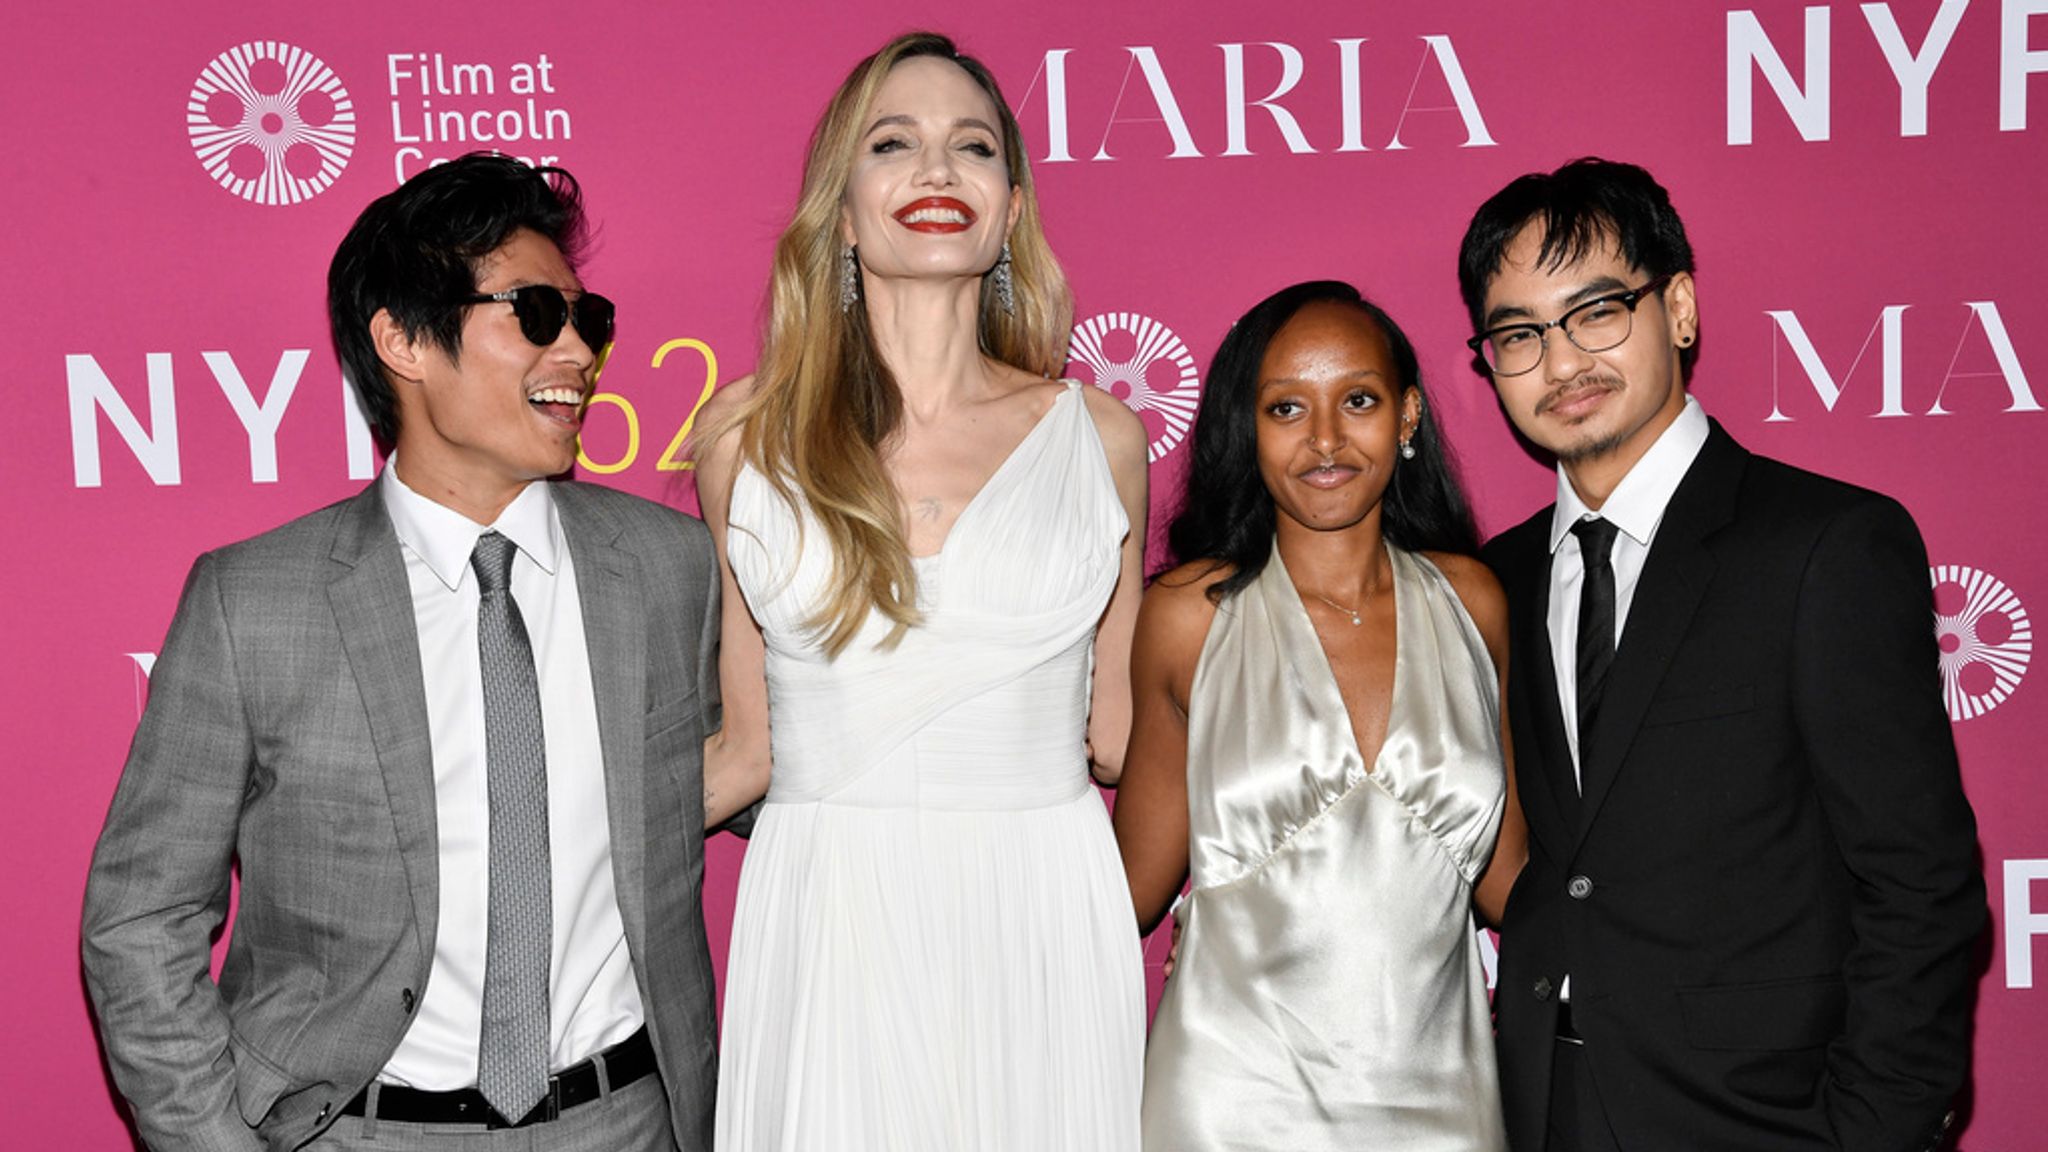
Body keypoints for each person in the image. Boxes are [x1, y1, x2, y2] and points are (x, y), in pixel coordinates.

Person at [82, 154, 730, 1152]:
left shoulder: (667, 568)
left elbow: (766, 771)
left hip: (626, 1123)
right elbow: (141, 914)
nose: (579, 354)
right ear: (400, 339)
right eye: (534, 313)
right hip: (356, 1132)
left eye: (586, 316)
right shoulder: (255, 600)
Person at [1461, 157, 1985, 1152]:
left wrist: (1874, 1129)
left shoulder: (1822, 545)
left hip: (1764, 1116)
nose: (1561, 361)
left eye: (1597, 311)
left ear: (1681, 308)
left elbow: (1918, 880)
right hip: (1540, 1108)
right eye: (1518, 333)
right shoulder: (1495, 578)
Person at [691, 31, 1149, 1152]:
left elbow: (1122, 738)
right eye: (893, 144)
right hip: (829, 912)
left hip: (1042, 912)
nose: (937, 172)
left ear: (1009, 209)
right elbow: (743, 750)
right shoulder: (743, 439)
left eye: (973, 148)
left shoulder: (1100, 439)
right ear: (841, 213)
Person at [1115, 281, 1524, 1150]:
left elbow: (1507, 881)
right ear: (1247, 429)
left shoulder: (1474, 602)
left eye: (1360, 401)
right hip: (1232, 1104)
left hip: (1443, 1106)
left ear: (1408, 415)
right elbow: (1132, 886)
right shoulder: (1191, 614)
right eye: (1287, 408)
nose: (1327, 439)